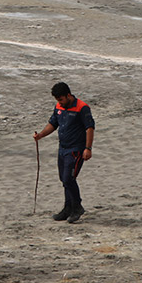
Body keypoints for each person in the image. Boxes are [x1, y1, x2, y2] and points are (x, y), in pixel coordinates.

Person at [33, 82, 95, 223]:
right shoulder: (59, 107)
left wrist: (88, 148)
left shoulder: (82, 108)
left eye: (61, 99)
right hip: (62, 148)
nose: (59, 102)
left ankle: (77, 206)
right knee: (64, 179)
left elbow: (90, 128)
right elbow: (53, 124)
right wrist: (41, 135)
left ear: (68, 95)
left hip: (77, 149)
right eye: (57, 100)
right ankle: (68, 208)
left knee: (68, 178)